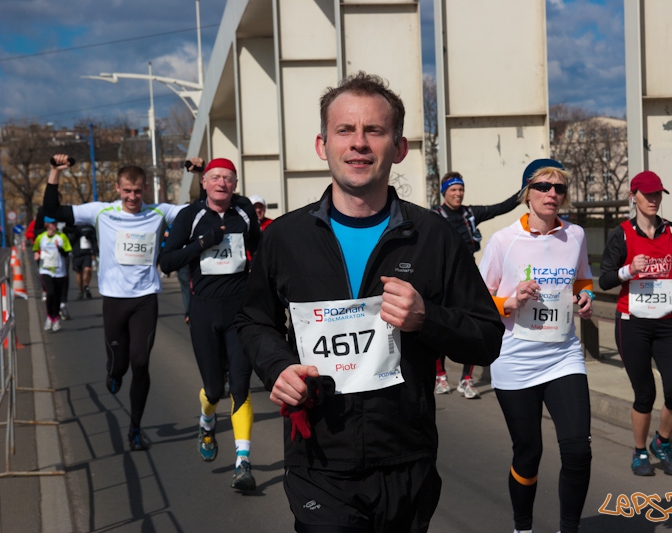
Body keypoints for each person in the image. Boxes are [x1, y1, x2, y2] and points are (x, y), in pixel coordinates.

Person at [235, 71, 503, 532]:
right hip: (318, 459)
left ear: (397, 148)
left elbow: (487, 338)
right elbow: (252, 320)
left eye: (374, 131)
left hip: (406, 459)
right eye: (345, 130)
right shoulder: (285, 238)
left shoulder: (433, 237)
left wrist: (427, 319)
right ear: (323, 145)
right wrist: (278, 367)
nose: (359, 143)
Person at [479, 159, 594, 533]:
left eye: (559, 188)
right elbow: (478, 299)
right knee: (528, 454)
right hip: (515, 360)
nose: (552, 195)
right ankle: (523, 527)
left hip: (563, 355)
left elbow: (582, 280)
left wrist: (587, 298)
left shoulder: (574, 235)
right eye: (543, 187)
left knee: (578, 451)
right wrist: (508, 303)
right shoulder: (504, 241)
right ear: (527, 193)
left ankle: (569, 529)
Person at [44, 154, 187, 451]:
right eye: (127, 191)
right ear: (118, 188)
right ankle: (112, 371)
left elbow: (198, 211)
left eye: (137, 191)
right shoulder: (101, 211)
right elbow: (52, 209)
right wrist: (55, 172)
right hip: (114, 299)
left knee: (141, 362)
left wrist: (201, 174)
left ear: (145, 188)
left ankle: (135, 427)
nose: (132, 197)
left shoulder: (159, 212)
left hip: (145, 298)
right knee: (120, 364)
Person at [160, 157, 262, 491]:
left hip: (239, 312)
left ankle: (243, 462)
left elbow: (260, 253)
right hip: (204, 311)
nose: (221, 183)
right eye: (215, 178)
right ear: (204, 182)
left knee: (241, 386)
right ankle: (206, 423)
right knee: (214, 390)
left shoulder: (244, 213)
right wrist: (203, 243)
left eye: (228, 179)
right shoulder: (190, 216)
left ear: (234, 184)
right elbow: (167, 262)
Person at [599, 170, 672, 477]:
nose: (653, 200)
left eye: (657, 194)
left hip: (667, 322)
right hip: (633, 323)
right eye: (647, 194)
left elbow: (669, 269)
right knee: (645, 394)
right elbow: (605, 279)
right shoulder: (621, 234)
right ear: (633, 196)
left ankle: (661, 442)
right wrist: (628, 270)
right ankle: (639, 452)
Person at [434, 172, 521, 399]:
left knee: (473, 327)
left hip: (467, 277)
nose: (458, 193)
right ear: (444, 192)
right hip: (442, 278)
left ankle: (466, 380)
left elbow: (502, 207)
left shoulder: (470, 214)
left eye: (461, 189)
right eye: (453, 190)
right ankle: (440, 376)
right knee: (440, 326)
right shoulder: (434, 215)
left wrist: (526, 189)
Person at [33, 216, 73, 332]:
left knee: (57, 296)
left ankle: (55, 319)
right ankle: (49, 317)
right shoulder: (41, 237)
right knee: (50, 293)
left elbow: (67, 253)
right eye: (52, 224)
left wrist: (59, 247)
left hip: (59, 271)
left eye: (55, 224)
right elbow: (35, 249)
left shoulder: (62, 237)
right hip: (45, 270)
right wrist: (36, 254)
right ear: (47, 225)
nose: (54, 226)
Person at [73, 224, 98, 299]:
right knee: (79, 272)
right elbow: (71, 239)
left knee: (88, 270)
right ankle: (80, 290)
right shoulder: (75, 227)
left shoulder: (90, 227)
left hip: (87, 253)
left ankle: (86, 286)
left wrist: (94, 252)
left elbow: (94, 240)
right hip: (77, 253)